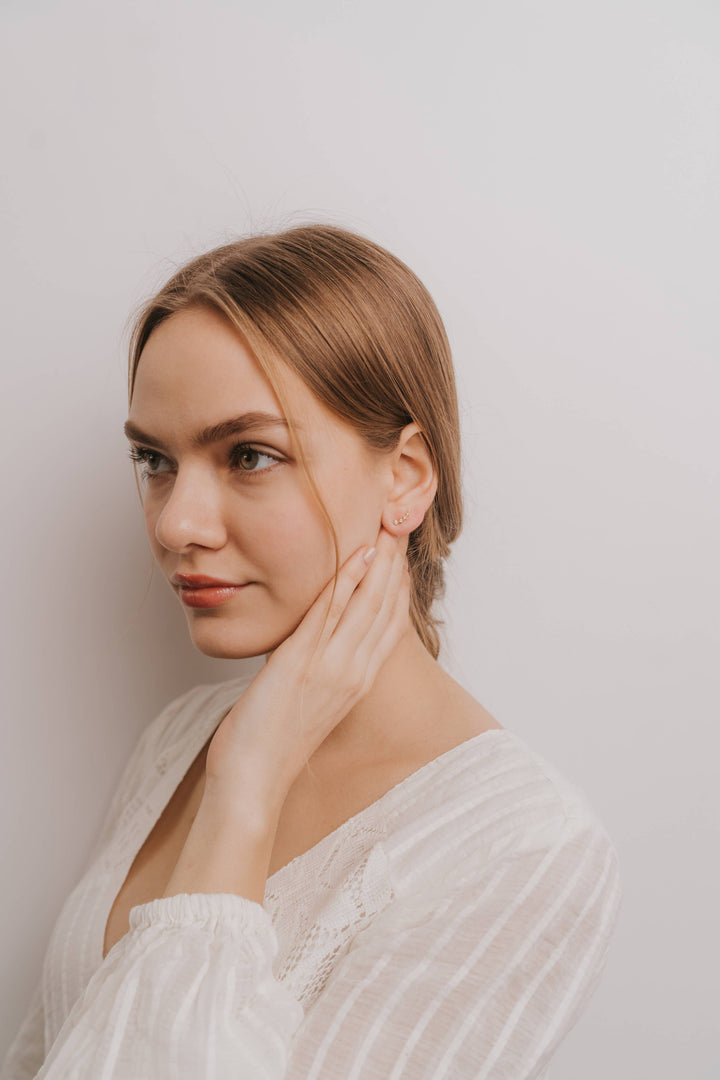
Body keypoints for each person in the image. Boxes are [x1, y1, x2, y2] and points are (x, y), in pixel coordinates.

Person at [1, 224, 622, 1079]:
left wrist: (247, 789)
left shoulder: (522, 849)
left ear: (406, 475)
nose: (176, 524)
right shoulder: (181, 738)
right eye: (153, 459)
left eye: (249, 455)